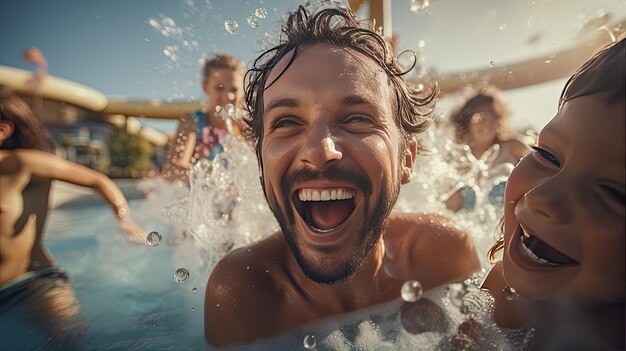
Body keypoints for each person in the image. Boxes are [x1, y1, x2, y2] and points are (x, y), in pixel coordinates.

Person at [204, 6, 480, 346]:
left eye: (357, 118)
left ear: (406, 160)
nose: (319, 150)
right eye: (287, 122)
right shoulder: (242, 295)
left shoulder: (442, 255)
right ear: (261, 165)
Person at [457, 38, 625, 350]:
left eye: (614, 193)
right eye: (547, 155)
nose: (541, 198)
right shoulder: (503, 293)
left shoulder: (510, 145)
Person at [0, 86, 144, 337]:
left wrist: (126, 223)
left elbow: (100, 181)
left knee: (73, 341)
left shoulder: (22, 163)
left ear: (3, 130)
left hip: (34, 284)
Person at [443, 85, 531, 212]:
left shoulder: (513, 147)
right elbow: (444, 206)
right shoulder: (457, 158)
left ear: (499, 121)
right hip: (473, 227)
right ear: (467, 122)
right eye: (479, 117)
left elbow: (541, 177)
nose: (487, 124)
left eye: (493, 117)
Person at [162, 52, 246, 183]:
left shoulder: (245, 127)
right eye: (219, 88)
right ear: (205, 87)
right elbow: (172, 171)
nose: (228, 96)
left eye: (234, 89)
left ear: (243, 91)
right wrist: (218, 176)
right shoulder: (193, 121)